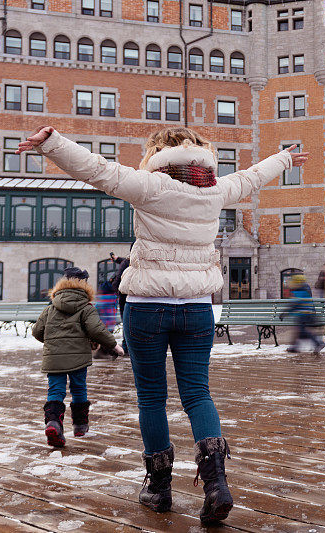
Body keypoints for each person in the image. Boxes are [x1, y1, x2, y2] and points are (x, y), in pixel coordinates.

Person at [18, 126, 307, 524]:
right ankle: (216, 482)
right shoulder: (216, 190)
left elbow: (96, 170)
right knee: (198, 395)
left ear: (158, 154)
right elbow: (252, 176)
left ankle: (158, 487)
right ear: (201, 157)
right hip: (196, 309)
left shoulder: (149, 186)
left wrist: (51, 143)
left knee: (152, 398)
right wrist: (286, 158)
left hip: (147, 308)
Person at [32, 267, 124, 448]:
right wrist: (114, 346)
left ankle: (53, 424)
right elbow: (96, 330)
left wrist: (52, 341)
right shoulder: (85, 307)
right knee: (79, 389)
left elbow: (37, 331)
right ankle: (80, 427)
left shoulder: (51, 307)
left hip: (54, 358)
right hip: (78, 359)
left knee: (55, 391)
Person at [281, 274, 325, 355]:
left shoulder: (299, 291)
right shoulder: (303, 289)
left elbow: (295, 304)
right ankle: (296, 346)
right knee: (299, 331)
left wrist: (285, 312)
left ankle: (317, 343)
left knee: (302, 332)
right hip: (304, 314)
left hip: (303, 315)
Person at [93, 272, 121, 360]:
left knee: (106, 339)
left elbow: (97, 310)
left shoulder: (102, 299)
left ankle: (106, 352)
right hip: (108, 322)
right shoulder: (113, 298)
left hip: (104, 323)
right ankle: (103, 353)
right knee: (107, 339)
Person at [110, 251, 131, 355]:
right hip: (139, 298)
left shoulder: (127, 262)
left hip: (125, 298)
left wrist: (117, 292)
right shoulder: (141, 261)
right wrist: (117, 259)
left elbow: (117, 281)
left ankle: (126, 348)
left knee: (126, 323)